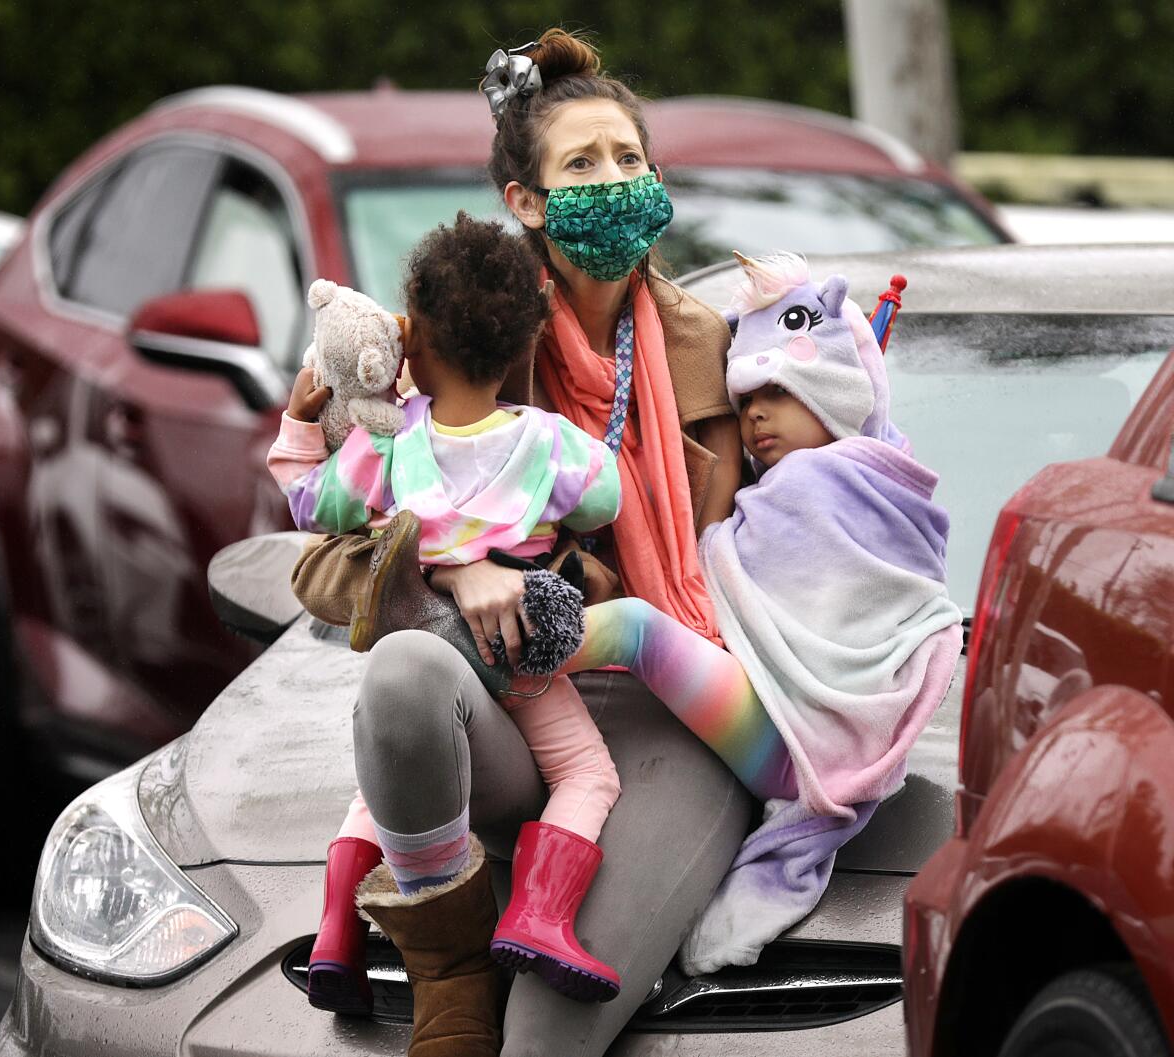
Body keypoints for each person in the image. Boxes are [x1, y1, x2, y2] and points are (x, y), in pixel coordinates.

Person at [290, 28, 751, 1057]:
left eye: (629, 159)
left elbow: (762, 546)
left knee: (548, 1027)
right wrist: (463, 562)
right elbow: (328, 543)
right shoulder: (466, 338)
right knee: (407, 670)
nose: (613, 180)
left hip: (678, 703)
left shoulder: (711, 344)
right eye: (581, 163)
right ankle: (442, 966)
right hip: (503, 699)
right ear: (524, 201)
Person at [547, 251, 963, 970]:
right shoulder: (888, 475)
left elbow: (718, 587)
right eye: (743, 401)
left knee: (638, 629)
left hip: (790, 739)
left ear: (836, 390)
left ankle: (499, 652)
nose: (756, 414)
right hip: (817, 743)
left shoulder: (822, 482)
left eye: (780, 389)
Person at [266, 214, 628, 1014]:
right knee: (587, 772)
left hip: (427, 635)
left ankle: (336, 930)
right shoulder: (549, 441)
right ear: (515, 349)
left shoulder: (389, 447)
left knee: (382, 778)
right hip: (518, 654)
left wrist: (301, 424)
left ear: (414, 347)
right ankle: (540, 914)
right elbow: (607, 496)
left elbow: (307, 504)